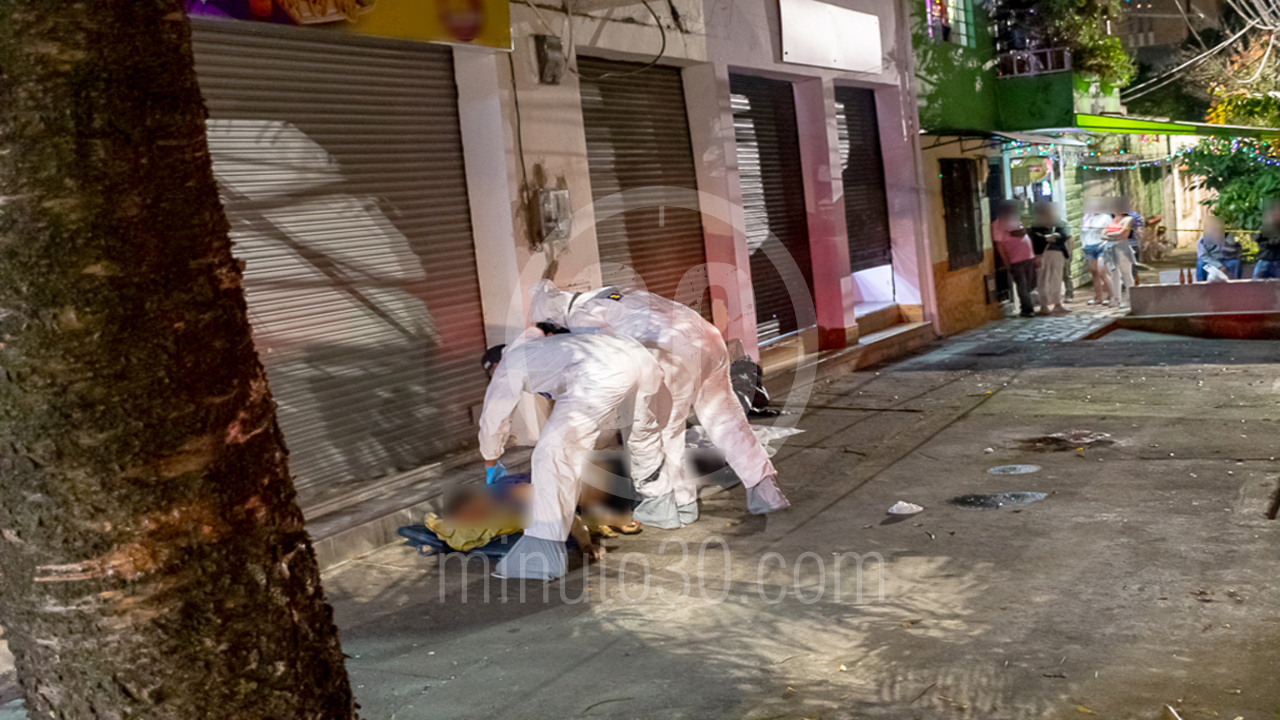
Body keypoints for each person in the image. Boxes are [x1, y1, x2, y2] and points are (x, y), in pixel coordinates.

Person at [528, 280, 790, 527]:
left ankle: (674, 507)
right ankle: (765, 489)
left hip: (673, 354)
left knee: (660, 432)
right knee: (727, 420)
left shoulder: (581, 317)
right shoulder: (610, 294)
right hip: (708, 339)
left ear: (554, 327)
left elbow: (612, 362)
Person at [477, 333, 666, 580]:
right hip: (642, 361)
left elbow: (493, 419)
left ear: (494, 366)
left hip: (605, 376)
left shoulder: (509, 366)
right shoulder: (542, 352)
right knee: (626, 439)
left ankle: (541, 557)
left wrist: (490, 460)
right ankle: (655, 505)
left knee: (551, 456)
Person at [992, 202, 1037, 318]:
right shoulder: (999, 224)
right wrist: (1005, 261)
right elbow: (999, 244)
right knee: (1023, 284)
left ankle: (1027, 308)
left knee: (1025, 285)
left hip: (1024, 257)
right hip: (1019, 258)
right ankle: (1028, 308)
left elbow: (999, 244)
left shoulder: (1013, 220)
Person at [1027, 203, 1071, 315]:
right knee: (1043, 279)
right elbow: (1035, 239)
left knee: (1057, 278)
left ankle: (1057, 303)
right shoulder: (1036, 226)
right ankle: (1044, 305)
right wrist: (1049, 238)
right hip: (1042, 254)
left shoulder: (1058, 224)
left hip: (1058, 253)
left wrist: (1052, 237)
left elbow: (1063, 237)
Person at [1101, 198, 1138, 307]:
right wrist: (1112, 236)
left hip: (1122, 248)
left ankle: (1130, 298)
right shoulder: (1110, 220)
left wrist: (1110, 236)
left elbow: (1122, 233)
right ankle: (1116, 298)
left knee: (1126, 273)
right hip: (1110, 249)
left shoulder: (1128, 219)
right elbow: (1102, 234)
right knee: (1114, 274)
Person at [1080, 198, 1113, 306]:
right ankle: (1098, 297)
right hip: (1089, 247)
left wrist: (1105, 243)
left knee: (1101, 271)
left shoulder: (1106, 218)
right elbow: (1083, 232)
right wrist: (1084, 244)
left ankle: (1111, 296)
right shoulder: (1087, 218)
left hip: (1101, 246)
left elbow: (1110, 232)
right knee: (1094, 272)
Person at [1195, 216, 1240, 282]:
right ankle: (1201, 284)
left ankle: (1235, 284)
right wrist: (1218, 265)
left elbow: (1235, 250)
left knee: (1235, 262)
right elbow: (1203, 256)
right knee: (1201, 263)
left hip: (1225, 260)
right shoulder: (1203, 239)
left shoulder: (1228, 236)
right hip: (1210, 261)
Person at [1253, 200, 1280, 280]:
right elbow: (1257, 238)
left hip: (1277, 261)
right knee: (1256, 282)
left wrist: (1268, 242)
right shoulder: (1265, 226)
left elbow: (1275, 243)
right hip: (1265, 259)